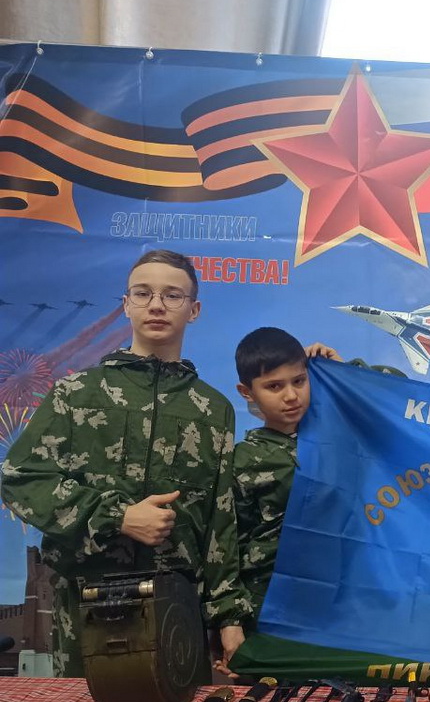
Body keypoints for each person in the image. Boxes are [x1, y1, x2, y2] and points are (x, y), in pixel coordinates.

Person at [1, 250, 253, 676]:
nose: (156, 305)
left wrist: (229, 618)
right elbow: (20, 478)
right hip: (87, 603)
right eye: (143, 293)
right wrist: (117, 517)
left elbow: (220, 522)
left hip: (176, 607)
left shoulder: (213, 410)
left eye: (172, 295)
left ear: (193, 310)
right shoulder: (76, 394)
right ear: (126, 304)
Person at [233, 327, 404, 619]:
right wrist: (232, 618)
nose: (291, 396)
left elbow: (400, 394)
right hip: (276, 606)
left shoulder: (342, 433)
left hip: (355, 599)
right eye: (274, 386)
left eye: (299, 381)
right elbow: (230, 546)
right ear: (246, 392)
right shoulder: (245, 460)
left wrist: (344, 373)